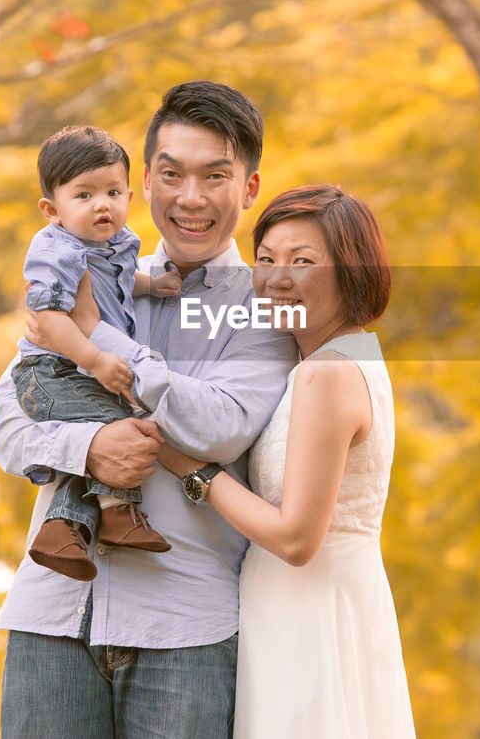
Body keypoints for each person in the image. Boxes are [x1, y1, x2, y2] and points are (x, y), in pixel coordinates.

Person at [0, 81, 298, 738]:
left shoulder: (266, 307)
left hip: (184, 628)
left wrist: (98, 340)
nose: (191, 197)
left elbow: (219, 426)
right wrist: (87, 450)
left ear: (248, 188)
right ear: (145, 185)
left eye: (215, 175)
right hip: (52, 615)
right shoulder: (86, 267)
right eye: (171, 174)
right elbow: (9, 425)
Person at [156, 184, 417, 738]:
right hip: (324, 601)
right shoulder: (348, 358)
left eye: (304, 262)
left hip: (309, 616)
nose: (276, 278)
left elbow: (298, 539)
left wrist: (190, 469)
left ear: (352, 272)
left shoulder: (327, 374)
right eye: (267, 259)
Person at [14, 124, 183, 581]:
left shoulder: (119, 245)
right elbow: (48, 319)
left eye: (112, 191)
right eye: (83, 195)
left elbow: (120, 285)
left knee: (98, 434)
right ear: (52, 209)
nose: (102, 204)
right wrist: (92, 359)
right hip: (49, 372)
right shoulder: (57, 249)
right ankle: (116, 515)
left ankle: (60, 531)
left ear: (130, 195)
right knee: (114, 429)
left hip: (75, 371)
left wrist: (152, 284)